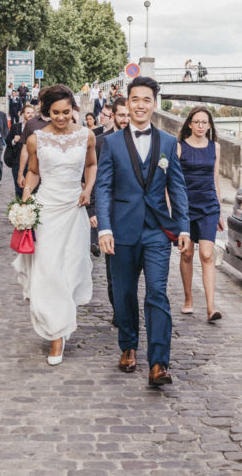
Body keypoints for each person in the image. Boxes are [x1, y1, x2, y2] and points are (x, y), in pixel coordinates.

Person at [96, 76, 190, 387]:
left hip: (158, 231)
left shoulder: (167, 142)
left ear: (153, 104)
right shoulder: (109, 143)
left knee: (157, 294)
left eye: (146, 100)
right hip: (121, 230)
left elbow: (177, 187)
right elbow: (104, 187)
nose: (140, 105)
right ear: (128, 101)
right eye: (135, 99)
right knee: (123, 294)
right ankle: (128, 346)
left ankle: (159, 363)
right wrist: (104, 228)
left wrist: (183, 227)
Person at [15, 85, 97, 365]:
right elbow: (34, 173)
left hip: (74, 210)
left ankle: (61, 320)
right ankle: (57, 338)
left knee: (70, 269)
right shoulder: (36, 139)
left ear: (73, 109)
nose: (61, 118)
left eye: (65, 112)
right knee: (49, 270)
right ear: (46, 112)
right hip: (47, 210)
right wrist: (25, 204)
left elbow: (91, 165)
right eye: (55, 113)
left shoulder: (87, 136)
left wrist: (88, 189)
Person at [176, 107, 224, 321]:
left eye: (205, 122)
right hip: (185, 205)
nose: (201, 126)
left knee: (206, 254)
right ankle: (188, 299)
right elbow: (173, 181)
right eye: (197, 122)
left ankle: (210, 307)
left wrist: (220, 210)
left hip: (208, 205)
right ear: (189, 124)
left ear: (210, 125)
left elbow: (215, 179)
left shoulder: (215, 147)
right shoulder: (179, 147)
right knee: (187, 253)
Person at [89, 97, 129, 325]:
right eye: (121, 115)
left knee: (131, 266)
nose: (125, 120)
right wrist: (93, 210)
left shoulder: (140, 140)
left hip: (132, 213)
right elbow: (93, 180)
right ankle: (118, 309)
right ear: (112, 116)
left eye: (128, 115)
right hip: (109, 212)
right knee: (112, 266)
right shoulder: (100, 141)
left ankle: (127, 305)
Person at [4, 103, 34, 197]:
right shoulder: (15, 126)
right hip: (17, 162)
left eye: (32, 113)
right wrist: (14, 141)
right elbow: (7, 141)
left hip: (32, 163)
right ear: (22, 114)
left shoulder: (37, 128)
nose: (30, 115)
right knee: (19, 188)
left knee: (31, 189)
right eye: (28, 112)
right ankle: (20, 210)